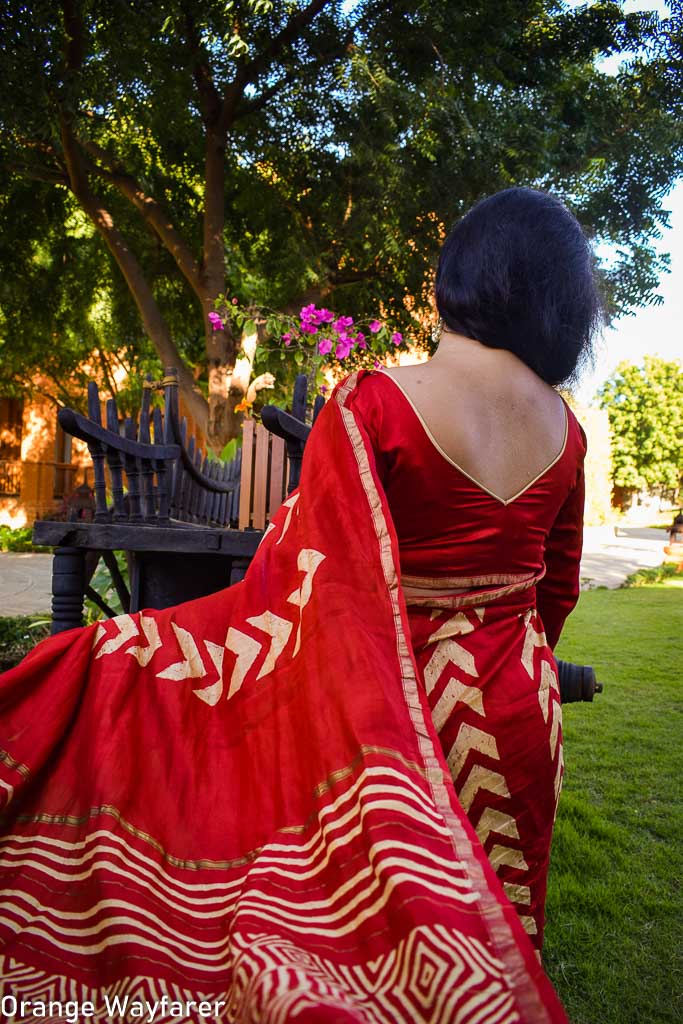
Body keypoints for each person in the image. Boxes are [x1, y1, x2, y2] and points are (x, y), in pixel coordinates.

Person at [0, 188, 597, 1023]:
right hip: (517, 710)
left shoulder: (378, 401)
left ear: (456, 279)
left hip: (396, 705)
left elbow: (304, 575)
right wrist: (515, 659)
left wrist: (146, 644)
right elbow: (554, 590)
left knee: (380, 934)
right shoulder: (565, 432)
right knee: (493, 935)